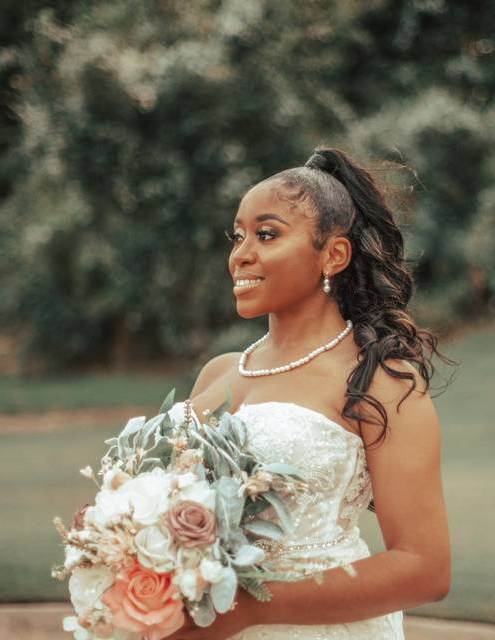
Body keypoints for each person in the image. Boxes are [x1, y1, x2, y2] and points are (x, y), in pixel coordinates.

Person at [166, 147, 453, 640]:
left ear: (333, 255)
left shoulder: (379, 380)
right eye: (237, 236)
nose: (242, 254)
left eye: (267, 234)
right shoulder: (217, 374)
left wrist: (252, 608)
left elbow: (425, 569)